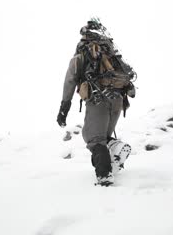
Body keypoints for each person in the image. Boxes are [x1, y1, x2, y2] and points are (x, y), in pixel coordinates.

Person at [57, 19, 135, 186]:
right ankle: (115, 149)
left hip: (98, 99)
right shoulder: (112, 55)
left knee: (93, 138)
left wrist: (64, 108)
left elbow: (69, 82)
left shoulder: (81, 56)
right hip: (118, 100)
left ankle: (104, 176)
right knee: (102, 138)